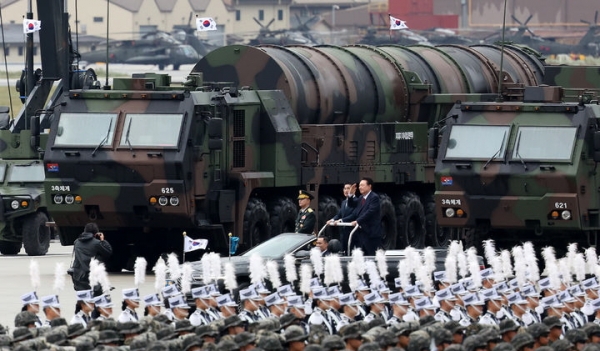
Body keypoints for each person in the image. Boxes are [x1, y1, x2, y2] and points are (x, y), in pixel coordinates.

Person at [343, 178, 382, 255]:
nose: (360, 187)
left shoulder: (374, 197)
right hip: (361, 234)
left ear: (369, 186)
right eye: (359, 185)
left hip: (371, 234)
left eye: (362, 185)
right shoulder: (361, 198)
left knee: (371, 257)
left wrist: (357, 221)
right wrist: (350, 195)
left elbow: (370, 212)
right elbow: (352, 205)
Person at [71, 222, 113, 291]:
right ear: (96, 233)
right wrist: (102, 240)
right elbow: (108, 252)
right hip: (92, 276)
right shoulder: (97, 243)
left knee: (83, 298)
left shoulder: (76, 242)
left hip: (78, 276)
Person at [328, 183, 354, 250]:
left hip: (353, 232)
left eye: (348, 188)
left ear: (353, 190)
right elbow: (339, 214)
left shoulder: (356, 201)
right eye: (345, 188)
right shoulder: (344, 202)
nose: (346, 190)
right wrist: (332, 220)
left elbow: (354, 215)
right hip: (344, 232)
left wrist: (341, 220)